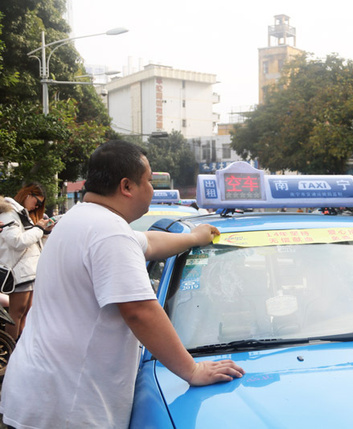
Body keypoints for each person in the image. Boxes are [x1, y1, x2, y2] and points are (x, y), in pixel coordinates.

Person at [0, 140, 245, 429]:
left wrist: (193, 238)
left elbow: (148, 243)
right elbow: (139, 311)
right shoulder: (108, 232)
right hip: (69, 408)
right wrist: (192, 369)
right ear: (127, 186)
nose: (152, 190)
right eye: (149, 181)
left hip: (41, 393)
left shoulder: (80, 219)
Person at [0, 183, 54, 340]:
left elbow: (32, 244)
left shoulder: (21, 214)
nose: (36, 206)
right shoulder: (9, 213)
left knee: (25, 313)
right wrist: (39, 229)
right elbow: (17, 242)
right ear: (28, 195)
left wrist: (44, 232)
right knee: (16, 314)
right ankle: (12, 353)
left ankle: (19, 349)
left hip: (29, 271)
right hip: (19, 272)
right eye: (36, 202)